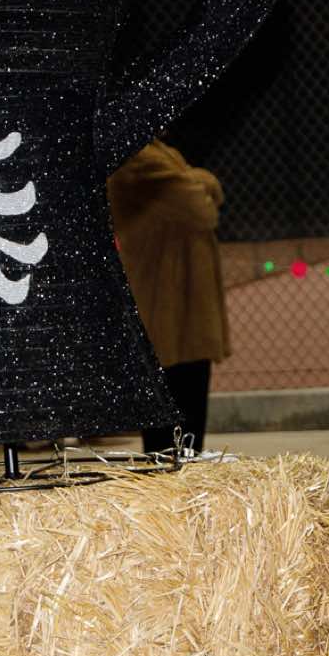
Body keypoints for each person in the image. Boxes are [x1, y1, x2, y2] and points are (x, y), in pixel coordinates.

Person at [107, 137, 230, 454]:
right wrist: (198, 180)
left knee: (191, 398)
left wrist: (195, 181)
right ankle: (167, 472)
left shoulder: (162, 152)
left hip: (187, 304)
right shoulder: (136, 159)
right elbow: (201, 210)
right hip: (163, 302)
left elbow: (207, 189)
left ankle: (186, 466)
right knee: (169, 409)